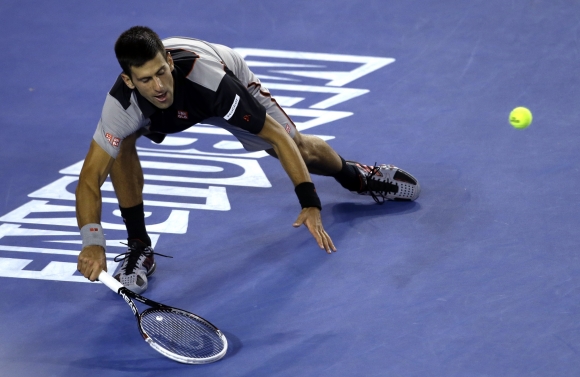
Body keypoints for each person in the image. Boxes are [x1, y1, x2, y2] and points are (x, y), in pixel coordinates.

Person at [76, 26, 420, 293]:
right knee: (118, 146)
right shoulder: (121, 106)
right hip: (163, 114)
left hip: (220, 81)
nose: (159, 86)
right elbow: (90, 179)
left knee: (296, 147)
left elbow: (276, 136)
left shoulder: (213, 84)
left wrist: (310, 202)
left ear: (168, 60)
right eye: (146, 80)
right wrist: (92, 243)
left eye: (161, 72)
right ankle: (140, 247)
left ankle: (355, 176)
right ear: (128, 80)